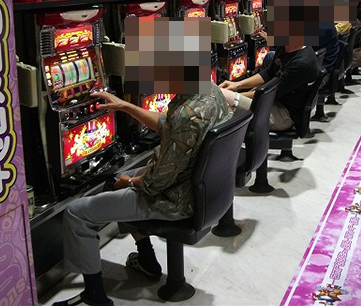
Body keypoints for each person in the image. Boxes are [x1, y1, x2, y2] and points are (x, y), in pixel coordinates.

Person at [53, 84, 230, 306]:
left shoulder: (187, 116)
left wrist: (128, 182)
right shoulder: (209, 91)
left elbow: (155, 183)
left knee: (76, 213)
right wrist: (125, 106)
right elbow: (168, 125)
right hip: (203, 187)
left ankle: (94, 296)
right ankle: (147, 259)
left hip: (175, 199)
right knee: (113, 181)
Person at [219, 45, 319, 132]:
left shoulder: (302, 63)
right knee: (225, 101)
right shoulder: (286, 47)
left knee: (224, 100)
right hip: (271, 100)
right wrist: (237, 85)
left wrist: (234, 96)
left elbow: (271, 93)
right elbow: (267, 74)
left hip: (283, 115)